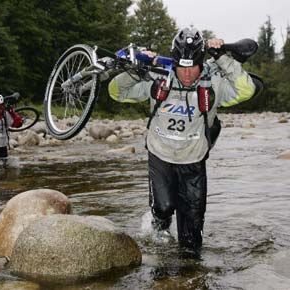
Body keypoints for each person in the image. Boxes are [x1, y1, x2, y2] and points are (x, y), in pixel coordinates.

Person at [108, 27, 257, 251]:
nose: (187, 75)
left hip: (194, 160)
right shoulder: (158, 79)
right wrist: (139, 69)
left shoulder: (213, 83)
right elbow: (115, 92)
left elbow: (246, 90)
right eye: (182, 68)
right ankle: (158, 228)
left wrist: (222, 58)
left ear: (200, 63)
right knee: (164, 207)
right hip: (160, 156)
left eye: (193, 68)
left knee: (191, 239)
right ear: (175, 63)